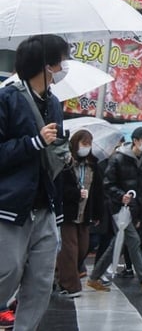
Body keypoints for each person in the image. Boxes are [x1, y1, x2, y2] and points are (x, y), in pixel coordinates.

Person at [0, 35, 69, 329]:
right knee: (7, 272)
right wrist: (34, 143)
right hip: (11, 205)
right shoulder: (7, 98)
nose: (64, 67)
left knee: (41, 281)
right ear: (46, 65)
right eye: (61, 61)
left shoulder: (54, 103)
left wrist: (61, 155)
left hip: (45, 205)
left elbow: (51, 154)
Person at [87, 127, 142, 295]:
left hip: (137, 208)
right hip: (119, 208)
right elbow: (108, 184)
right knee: (133, 240)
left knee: (117, 244)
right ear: (135, 140)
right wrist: (121, 196)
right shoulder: (118, 158)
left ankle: (94, 277)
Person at [55, 129, 104, 298]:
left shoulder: (93, 165)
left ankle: (57, 272)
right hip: (68, 214)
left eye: (89, 144)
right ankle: (70, 286)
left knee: (83, 248)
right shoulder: (66, 163)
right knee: (70, 250)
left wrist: (98, 214)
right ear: (76, 143)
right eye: (84, 144)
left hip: (85, 214)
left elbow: (98, 192)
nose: (86, 147)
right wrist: (76, 194)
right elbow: (59, 188)